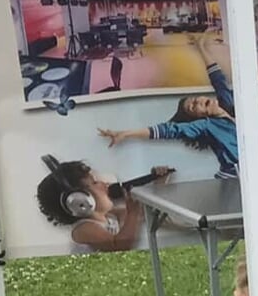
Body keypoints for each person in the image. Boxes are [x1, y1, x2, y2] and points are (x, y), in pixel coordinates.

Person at [99, 37, 238, 178]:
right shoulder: (206, 126)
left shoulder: (228, 102)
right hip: (233, 177)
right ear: (199, 118)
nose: (199, 102)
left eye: (196, 100)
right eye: (193, 107)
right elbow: (169, 130)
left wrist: (201, 46)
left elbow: (216, 77)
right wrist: (126, 134)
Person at [35, 160, 173, 253]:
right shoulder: (83, 229)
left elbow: (149, 212)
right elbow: (119, 246)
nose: (104, 183)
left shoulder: (110, 216)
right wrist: (132, 215)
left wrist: (158, 183)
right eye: (95, 183)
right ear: (79, 200)